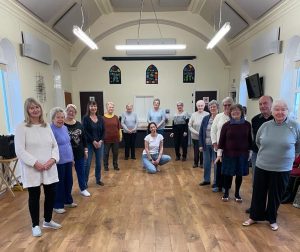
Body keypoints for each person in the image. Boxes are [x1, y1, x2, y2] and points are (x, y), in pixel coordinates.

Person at [243, 100, 300, 231]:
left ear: (288, 111)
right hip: (263, 165)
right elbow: (258, 142)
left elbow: (298, 147)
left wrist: (289, 158)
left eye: (283, 109)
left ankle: (272, 219)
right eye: (277, 109)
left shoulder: (295, 126)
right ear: (272, 111)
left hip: (283, 168)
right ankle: (254, 216)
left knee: (276, 194)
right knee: (258, 192)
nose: (280, 112)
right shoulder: (265, 126)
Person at [15, 98, 61, 237]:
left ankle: (47, 220)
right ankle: (35, 224)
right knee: (34, 196)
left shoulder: (46, 126)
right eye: (31, 108)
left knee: (51, 194)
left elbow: (54, 145)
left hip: (49, 167)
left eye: (37, 107)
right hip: (32, 168)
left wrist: (52, 160)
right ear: (27, 111)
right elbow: (20, 150)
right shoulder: (22, 127)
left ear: (41, 109)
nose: (35, 110)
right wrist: (35, 163)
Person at [215, 104, 252, 201]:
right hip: (228, 154)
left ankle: (237, 194)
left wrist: (250, 153)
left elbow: (250, 140)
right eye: (233, 111)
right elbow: (222, 140)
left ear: (242, 112)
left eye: (237, 110)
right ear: (230, 113)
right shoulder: (226, 125)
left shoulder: (247, 124)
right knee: (228, 174)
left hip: (242, 154)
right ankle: (226, 193)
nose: (235, 112)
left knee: (239, 175)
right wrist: (219, 154)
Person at [245, 95, 273, 213]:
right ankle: (256, 207)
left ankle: (270, 209)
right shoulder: (255, 119)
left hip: (273, 156)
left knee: (272, 184)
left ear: (271, 104)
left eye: (265, 103)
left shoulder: (276, 119)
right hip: (258, 155)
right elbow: (253, 138)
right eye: (260, 104)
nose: (262, 106)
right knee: (257, 182)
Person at [50, 107, 76, 214]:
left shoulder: (65, 128)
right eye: (58, 117)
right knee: (59, 184)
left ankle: (67, 201)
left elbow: (68, 143)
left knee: (69, 182)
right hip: (58, 161)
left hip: (68, 159)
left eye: (62, 117)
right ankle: (57, 205)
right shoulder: (50, 129)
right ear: (53, 118)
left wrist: (72, 158)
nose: (60, 119)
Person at [65, 104, 90, 197]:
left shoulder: (79, 124)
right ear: (66, 112)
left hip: (79, 152)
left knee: (81, 171)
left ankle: (83, 189)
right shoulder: (62, 124)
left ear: (75, 113)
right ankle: (67, 191)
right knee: (67, 174)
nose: (71, 112)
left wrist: (86, 150)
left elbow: (84, 138)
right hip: (66, 154)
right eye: (69, 110)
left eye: (73, 111)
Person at [211, 97, 234, 192]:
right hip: (219, 146)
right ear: (223, 106)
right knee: (219, 166)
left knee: (229, 167)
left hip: (231, 148)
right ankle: (218, 185)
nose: (227, 107)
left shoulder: (235, 116)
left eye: (229, 105)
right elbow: (213, 130)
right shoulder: (218, 116)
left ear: (232, 105)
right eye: (225, 105)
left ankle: (226, 186)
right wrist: (214, 142)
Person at [82, 100, 105, 186]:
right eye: (91, 106)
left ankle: (98, 179)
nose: (93, 108)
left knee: (99, 163)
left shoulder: (100, 118)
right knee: (87, 163)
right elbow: (85, 132)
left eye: (94, 106)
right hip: (89, 144)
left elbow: (104, 131)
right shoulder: (85, 118)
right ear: (89, 107)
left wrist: (101, 141)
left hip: (100, 143)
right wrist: (93, 141)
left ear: (97, 107)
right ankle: (85, 182)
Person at [199, 100, 219, 186]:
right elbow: (201, 132)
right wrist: (200, 144)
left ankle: (216, 181)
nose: (212, 108)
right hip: (206, 144)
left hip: (216, 146)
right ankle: (206, 179)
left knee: (216, 164)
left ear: (217, 107)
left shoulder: (220, 117)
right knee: (206, 163)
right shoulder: (206, 118)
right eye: (211, 107)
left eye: (214, 106)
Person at [189, 100, 209, 168]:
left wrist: (202, 134)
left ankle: (202, 163)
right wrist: (197, 133)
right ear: (196, 106)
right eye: (198, 106)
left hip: (204, 137)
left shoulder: (207, 114)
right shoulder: (193, 114)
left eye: (201, 106)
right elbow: (190, 126)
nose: (200, 107)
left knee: (203, 150)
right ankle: (195, 163)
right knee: (196, 150)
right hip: (195, 136)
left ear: (204, 106)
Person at [103, 102, 122, 171]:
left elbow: (119, 127)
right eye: (109, 107)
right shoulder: (103, 118)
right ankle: (105, 166)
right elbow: (101, 129)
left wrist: (120, 136)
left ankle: (115, 165)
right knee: (106, 153)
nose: (111, 108)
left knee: (115, 153)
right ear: (107, 108)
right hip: (106, 139)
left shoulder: (116, 117)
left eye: (112, 107)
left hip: (115, 139)